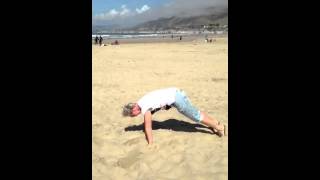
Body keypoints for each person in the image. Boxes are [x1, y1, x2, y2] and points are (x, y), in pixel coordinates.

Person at [122, 87, 226, 144]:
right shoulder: (141, 101)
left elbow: (148, 127)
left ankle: (220, 127)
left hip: (177, 98)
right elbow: (157, 102)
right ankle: (215, 123)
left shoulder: (144, 108)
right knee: (196, 113)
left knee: (196, 116)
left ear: (134, 108)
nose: (134, 117)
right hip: (177, 92)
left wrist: (150, 143)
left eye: (132, 115)